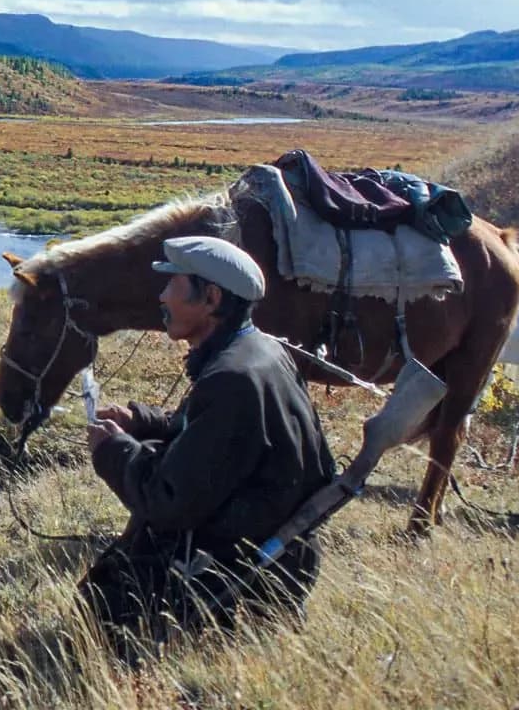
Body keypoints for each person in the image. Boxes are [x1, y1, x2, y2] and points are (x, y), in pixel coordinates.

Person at [77, 234, 338, 657]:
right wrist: (139, 423)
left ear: (212, 298)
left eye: (173, 284)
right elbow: (203, 431)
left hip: (243, 575)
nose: (161, 296)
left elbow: (168, 501)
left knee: (98, 610)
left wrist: (113, 451)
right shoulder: (257, 351)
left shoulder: (230, 379)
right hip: (277, 554)